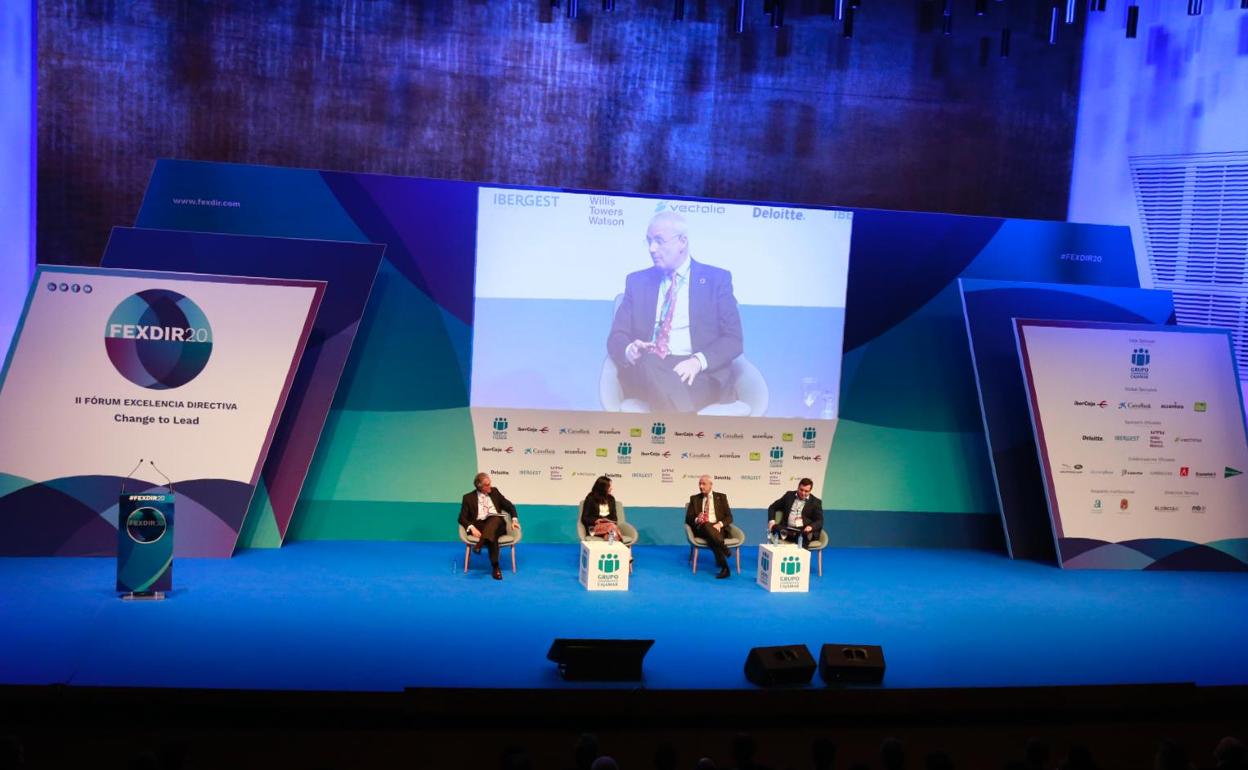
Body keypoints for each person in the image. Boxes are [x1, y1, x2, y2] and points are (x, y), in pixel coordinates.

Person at [607, 210, 744, 413]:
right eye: (649, 241)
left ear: (682, 241)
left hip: (696, 372)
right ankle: (687, 434)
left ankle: (675, 432)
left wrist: (698, 362)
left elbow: (733, 339)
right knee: (650, 361)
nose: (652, 249)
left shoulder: (717, 280)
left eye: (659, 241)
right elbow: (616, 337)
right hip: (648, 367)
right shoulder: (636, 282)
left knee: (672, 397)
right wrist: (630, 350)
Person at [458, 472, 520, 580]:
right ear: (479, 486)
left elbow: (510, 506)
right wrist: (472, 528)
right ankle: (496, 567)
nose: (490, 486)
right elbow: (461, 518)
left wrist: (514, 520)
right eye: (487, 485)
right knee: (492, 536)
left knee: (495, 518)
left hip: (498, 524)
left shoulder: (495, 492)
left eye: (490, 483)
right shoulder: (468, 498)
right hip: (480, 526)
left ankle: (480, 544)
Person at [685, 474, 734, 578]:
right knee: (706, 525)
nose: (701, 486)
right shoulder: (694, 498)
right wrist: (697, 519)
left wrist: (719, 524)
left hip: (717, 529)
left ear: (711, 485)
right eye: (699, 484)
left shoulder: (721, 497)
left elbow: (729, 517)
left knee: (712, 539)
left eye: (704, 484)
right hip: (701, 528)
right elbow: (688, 519)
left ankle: (725, 568)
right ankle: (724, 548)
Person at [766, 477, 824, 548]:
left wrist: (811, 527)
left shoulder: (815, 502)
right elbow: (772, 507)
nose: (803, 493)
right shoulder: (789, 496)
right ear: (798, 487)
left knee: (802, 536)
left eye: (806, 491)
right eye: (801, 490)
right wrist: (772, 521)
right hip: (787, 529)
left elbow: (819, 520)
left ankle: (800, 555)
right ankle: (791, 538)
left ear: (810, 491)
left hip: (802, 531)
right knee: (775, 527)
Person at [581, 475, 623, 542]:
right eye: (609, 486)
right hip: (594, 527)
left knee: (609, 535)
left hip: (610, 527)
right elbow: (585, 518)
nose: (611, 488)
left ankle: (609, 551)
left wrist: (607, 520)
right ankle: (622, 543)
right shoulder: (590, 498)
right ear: (602, 487)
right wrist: (597, 520)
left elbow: (615, 518)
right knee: (612, 528)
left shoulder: (611, 499)